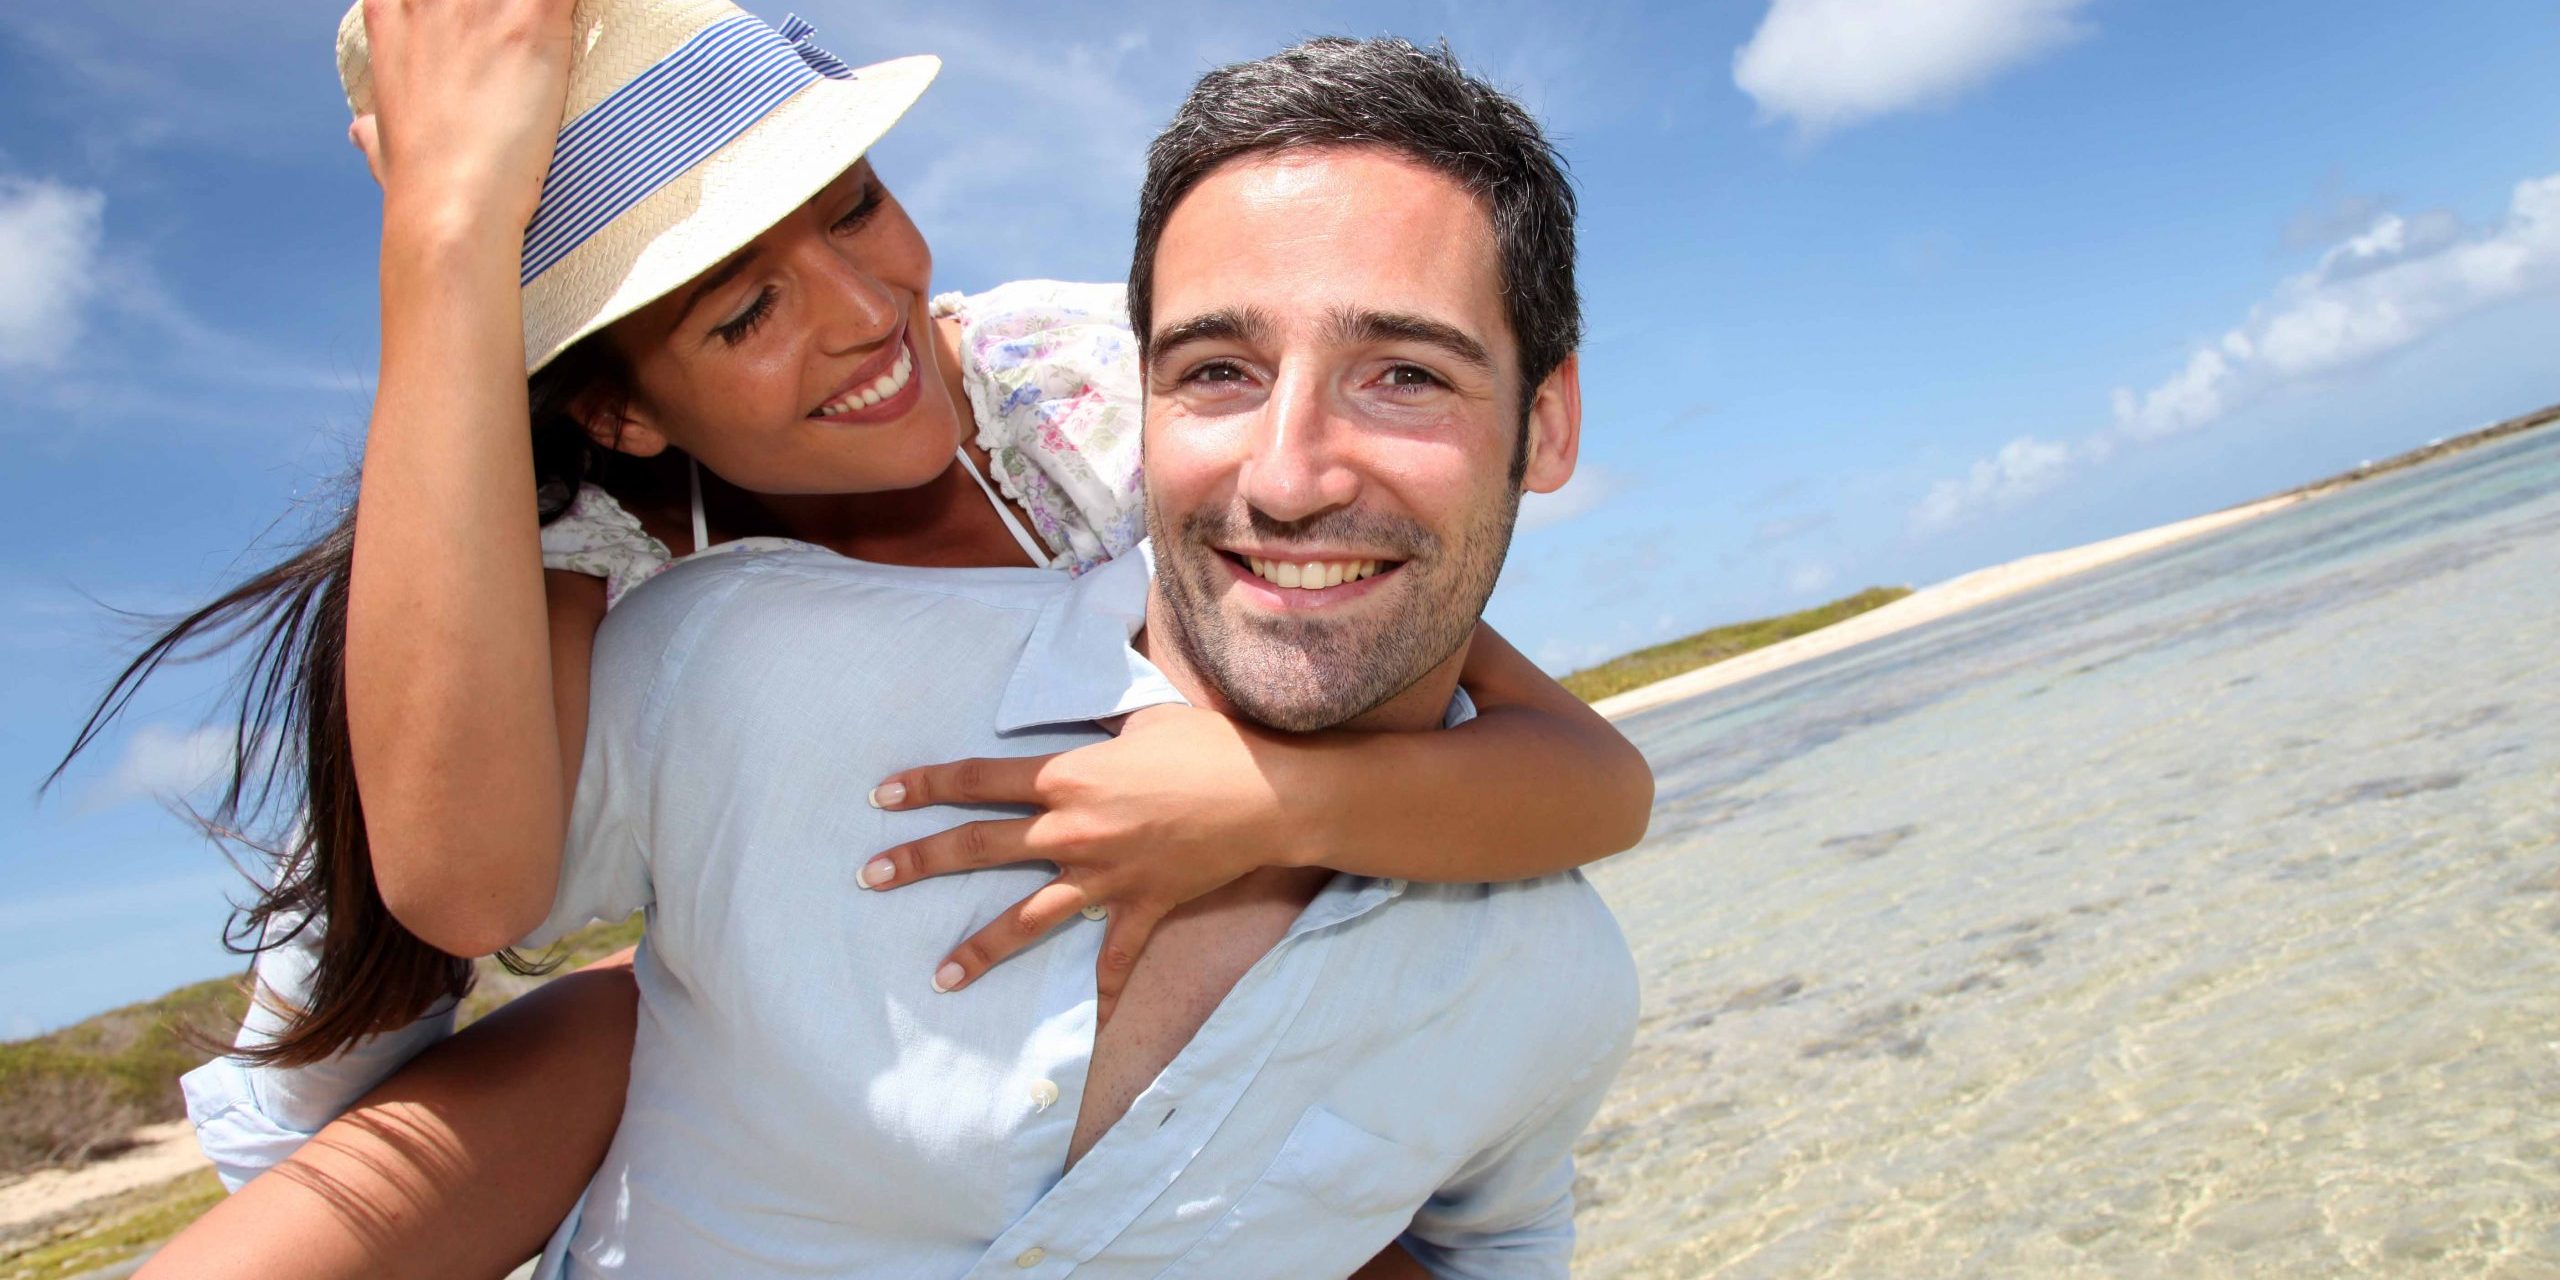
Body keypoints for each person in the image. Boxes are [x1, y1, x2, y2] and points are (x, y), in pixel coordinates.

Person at [52, 4, 1646, 1277]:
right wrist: (446, 235)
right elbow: (455, 901)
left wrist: (1267, 804)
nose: (863, 311)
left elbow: (1586, 778)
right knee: (612, 1017)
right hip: (491, 1114)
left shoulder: (1094, 387)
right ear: (619, 409)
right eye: (741, 312)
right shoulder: (595, 569)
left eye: (857, 207)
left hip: (1049, 1082)